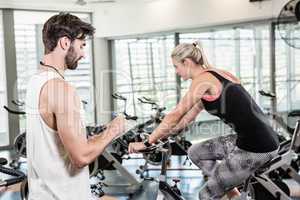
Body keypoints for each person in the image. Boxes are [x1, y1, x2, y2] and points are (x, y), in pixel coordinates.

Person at [128, 42, 279, 199]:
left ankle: (224, 185)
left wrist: (147, 143)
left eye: (176, 66)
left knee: (205, 195)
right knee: (195, 152)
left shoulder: (202, 81)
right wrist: (163, 135)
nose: (176, 72)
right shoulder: (216, 75)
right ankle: (231, 192)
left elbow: (175, 114)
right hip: (251, 139)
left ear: (186, 62)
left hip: (258, 147)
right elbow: (186, 118)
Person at [25, 12, 126, 200]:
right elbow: (81, 157)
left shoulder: (35, 82)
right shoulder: (61, 89)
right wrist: (114, 130)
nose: (83, 54)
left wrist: (93, 139)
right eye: (81, 45)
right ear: (65, 43)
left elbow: (55, 142)